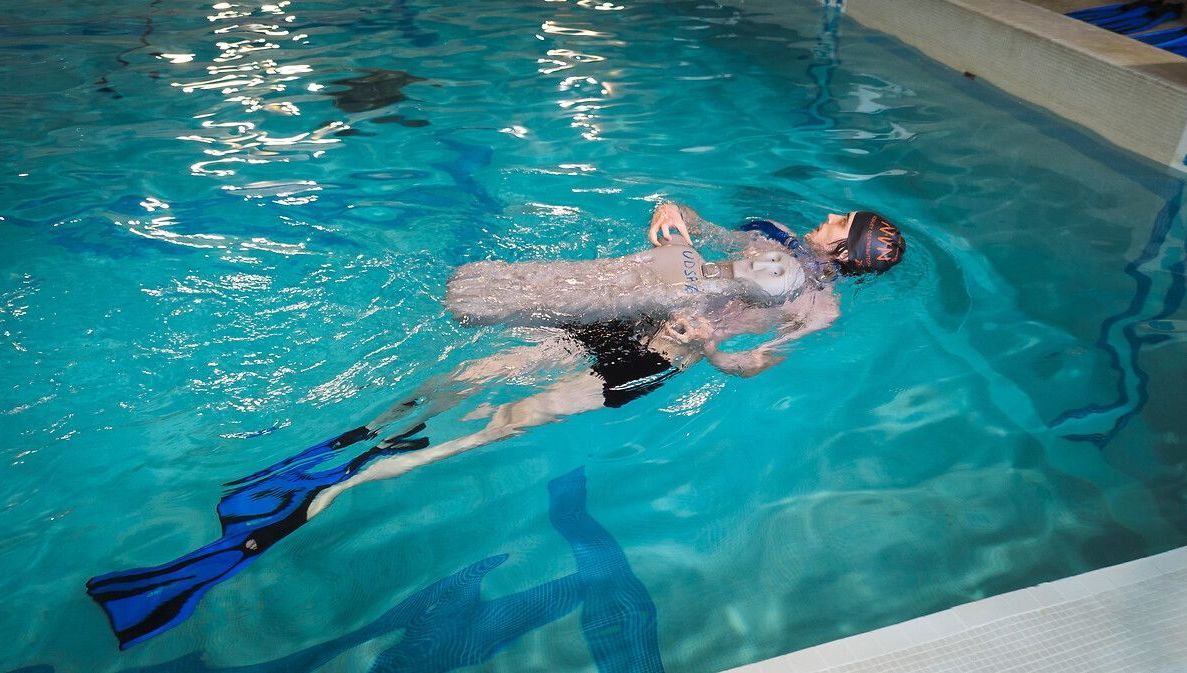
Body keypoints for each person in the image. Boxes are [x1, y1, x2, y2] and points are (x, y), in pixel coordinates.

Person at [86, 201, 905, 649]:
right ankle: (325, 468)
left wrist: (709, 349)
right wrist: (673, 210)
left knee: (487, 423)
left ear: (849, 248)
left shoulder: (817, 309)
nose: (831, 219)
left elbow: (749, 365)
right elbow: (703, 235)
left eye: (843, 223)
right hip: (620, 318)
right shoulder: (769, 238)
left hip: (648, 357)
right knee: (465, 386)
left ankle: (308, 500)